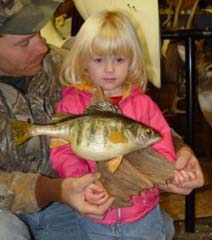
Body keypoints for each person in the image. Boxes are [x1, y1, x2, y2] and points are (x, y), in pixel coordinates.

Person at [50, 10, 203, 240]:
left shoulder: (144, 104)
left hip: (144, 216)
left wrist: (172, 173)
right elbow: (62, 149)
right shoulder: (72, 103)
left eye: (119, 60)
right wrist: (81, 181)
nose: (110, 69)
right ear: (83, 60)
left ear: (132, 61)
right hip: (94, 217)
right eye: (99, 60)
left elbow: (161, 144)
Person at [0, 1, 114, 240]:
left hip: (69, 203)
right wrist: (52, 189)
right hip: (8, 212)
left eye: (39, 34)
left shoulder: (64, 65)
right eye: (24, 42)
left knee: (155, 226)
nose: (42, 47)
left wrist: (174, 150)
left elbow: (128, 110)